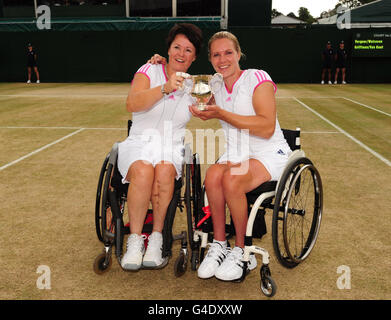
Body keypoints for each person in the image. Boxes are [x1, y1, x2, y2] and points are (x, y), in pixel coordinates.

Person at [190, 31, 291, 281]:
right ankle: (220, 244)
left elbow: (266, 127)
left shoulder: (258, 77)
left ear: (238, 54)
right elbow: (185, 83)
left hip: (268, 151)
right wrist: (158, 62)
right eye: (216, 54)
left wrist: (220, 114)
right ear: (210, 59)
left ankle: (243, 250)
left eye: (228, 53)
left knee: (232, 180)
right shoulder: (212, 82)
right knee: (213, 175)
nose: (222, 59)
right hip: (236, 152)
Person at [117, 23, 203, 271]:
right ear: (167, 50)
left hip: (171, 145)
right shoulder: (149, 69)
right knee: (144, 170)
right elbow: (132, 102)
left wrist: (206, 105)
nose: (181, 53)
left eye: (188, 50)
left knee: (164, 171)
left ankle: (156, 239)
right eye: (177, 47)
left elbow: (211, 104)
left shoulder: (195, 84)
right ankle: (135, 241)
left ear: (194, 57)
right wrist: (164, 87)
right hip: (139, 141)